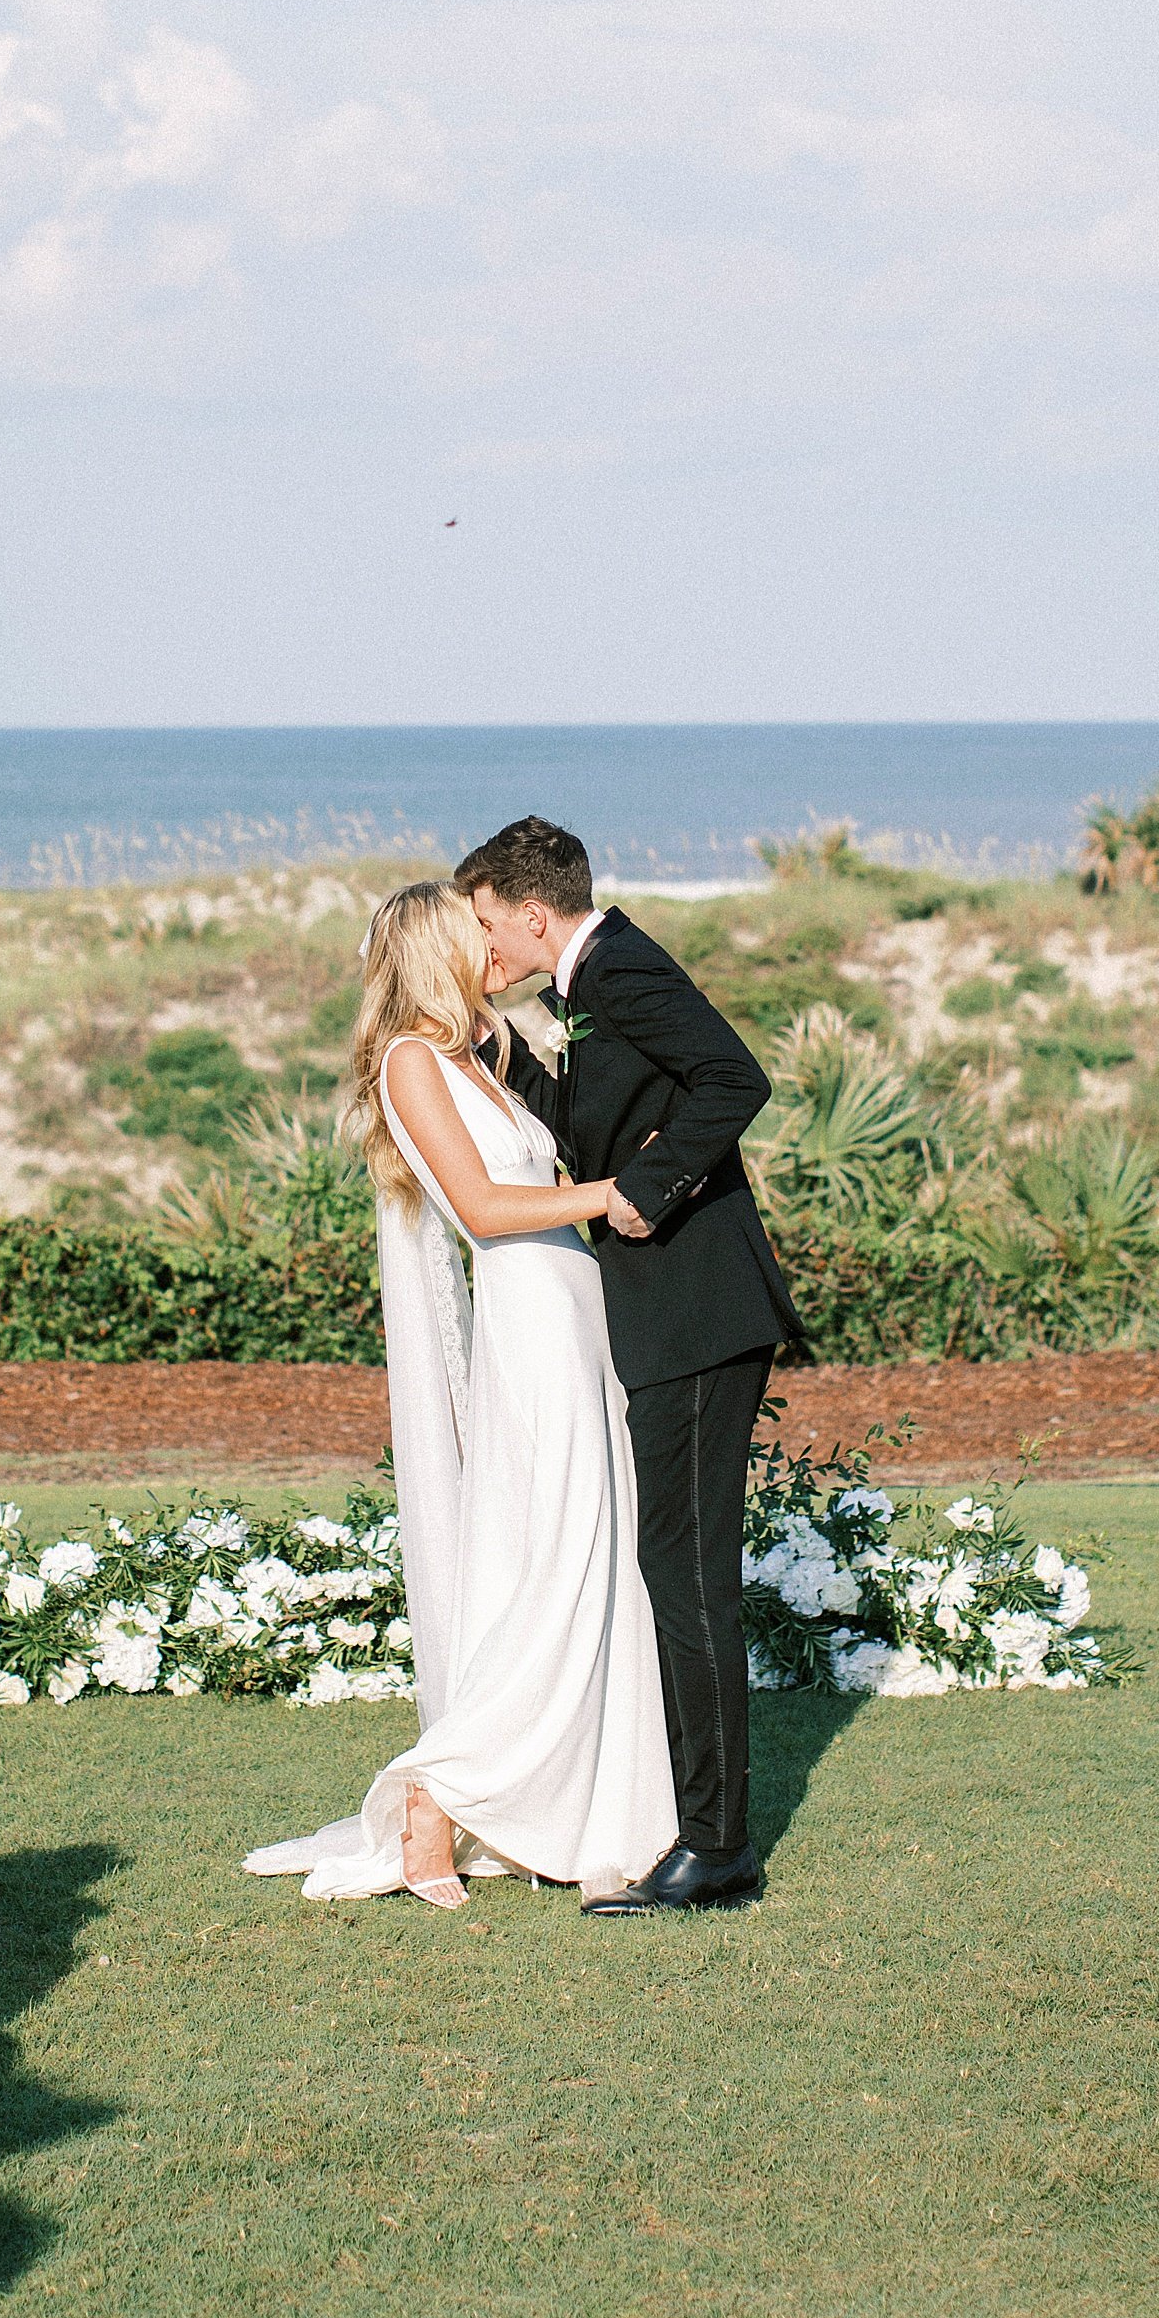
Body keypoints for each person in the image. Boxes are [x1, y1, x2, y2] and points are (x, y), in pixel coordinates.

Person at [245, 881, 677, 1908]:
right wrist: (615, 1195)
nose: (492, 945)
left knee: (591, 1557)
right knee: (554, 1560)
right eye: (471, 935)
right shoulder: (408, 1063)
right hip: (529, 1312)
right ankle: (439, 1793)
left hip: (573, 1310)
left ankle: (572, 1807)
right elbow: (483, 1205)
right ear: (433, 949)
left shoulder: (471, 1058)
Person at [460, 815, 806, 1913]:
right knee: (676, 1567)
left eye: (486, 925)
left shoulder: (622, 965)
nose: (485, 946)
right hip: (672, 1320)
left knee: (689, 1572)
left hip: (698, 1313)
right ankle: (697, 1827)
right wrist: (495, 1050)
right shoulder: (585, 983)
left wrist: (647, 1197)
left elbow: (733, 1080)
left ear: (530, 909)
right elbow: (596, 1121)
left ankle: (717, 1848)